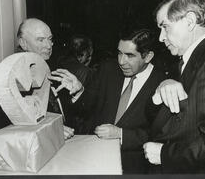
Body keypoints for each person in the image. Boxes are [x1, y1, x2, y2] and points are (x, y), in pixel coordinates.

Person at [48, 28, 166, 174]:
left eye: (130, 55)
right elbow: (88, 108)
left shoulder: (162, 83)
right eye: (119, 53)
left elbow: (161, 136)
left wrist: (122, 134)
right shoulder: (108, 68)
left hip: (134, 167)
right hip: (96, 160)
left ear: (148, 56)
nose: (121, 61)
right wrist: (79, 91)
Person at [143, 0, 205, 173]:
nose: (161, 37)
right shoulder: (185, 61)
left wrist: (164, 154)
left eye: (165, 27)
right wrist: (159, 92)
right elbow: (162, 118)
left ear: (190, 21)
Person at [16, 18, 75, 139]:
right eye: (40, 40)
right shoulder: (13, 78)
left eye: (50, 39)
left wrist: (77, 91)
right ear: (23, 43)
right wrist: (50, 129)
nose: (48, 46)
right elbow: (14, 126)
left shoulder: (56, 70)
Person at [56, 34, 95, 133]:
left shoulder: (58, 63)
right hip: (76, 128)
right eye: (89, 53)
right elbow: (88, 107)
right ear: (85, 53)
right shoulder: (86, 71)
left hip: (59, 122)